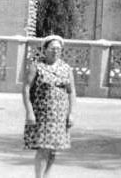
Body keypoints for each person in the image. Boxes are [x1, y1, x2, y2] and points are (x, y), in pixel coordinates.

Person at [23, 34, 76, 178]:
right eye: (52, 48)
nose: (55, 51)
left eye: (58, 49)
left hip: (59, 115)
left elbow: (71, 92)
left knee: (53, 150)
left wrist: (71, 113)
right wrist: (29, 112)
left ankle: (46, 176)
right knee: (43, 149)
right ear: (45, 49)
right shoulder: (37, 66)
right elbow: (26, 88)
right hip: (42, 114)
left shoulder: (66, 68)